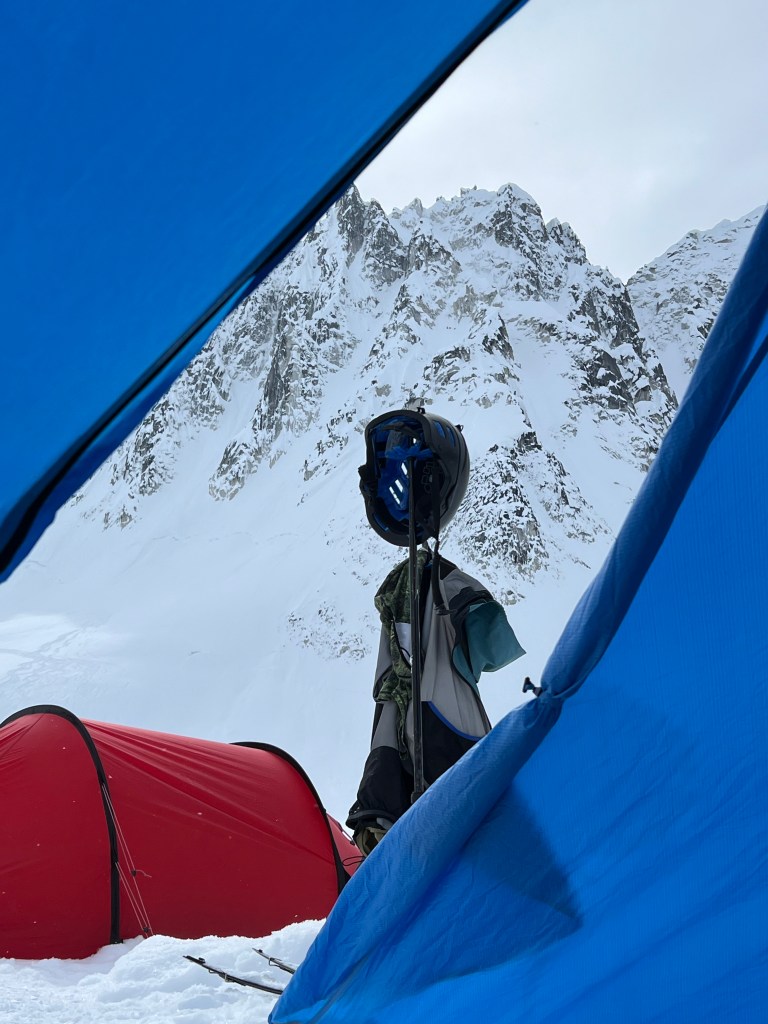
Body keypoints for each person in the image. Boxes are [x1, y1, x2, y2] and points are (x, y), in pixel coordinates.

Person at [347, 408, 525, 856]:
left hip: (397, 783)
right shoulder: (449, 586)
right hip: (452, 765)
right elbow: (494, 645)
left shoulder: (402, 591)